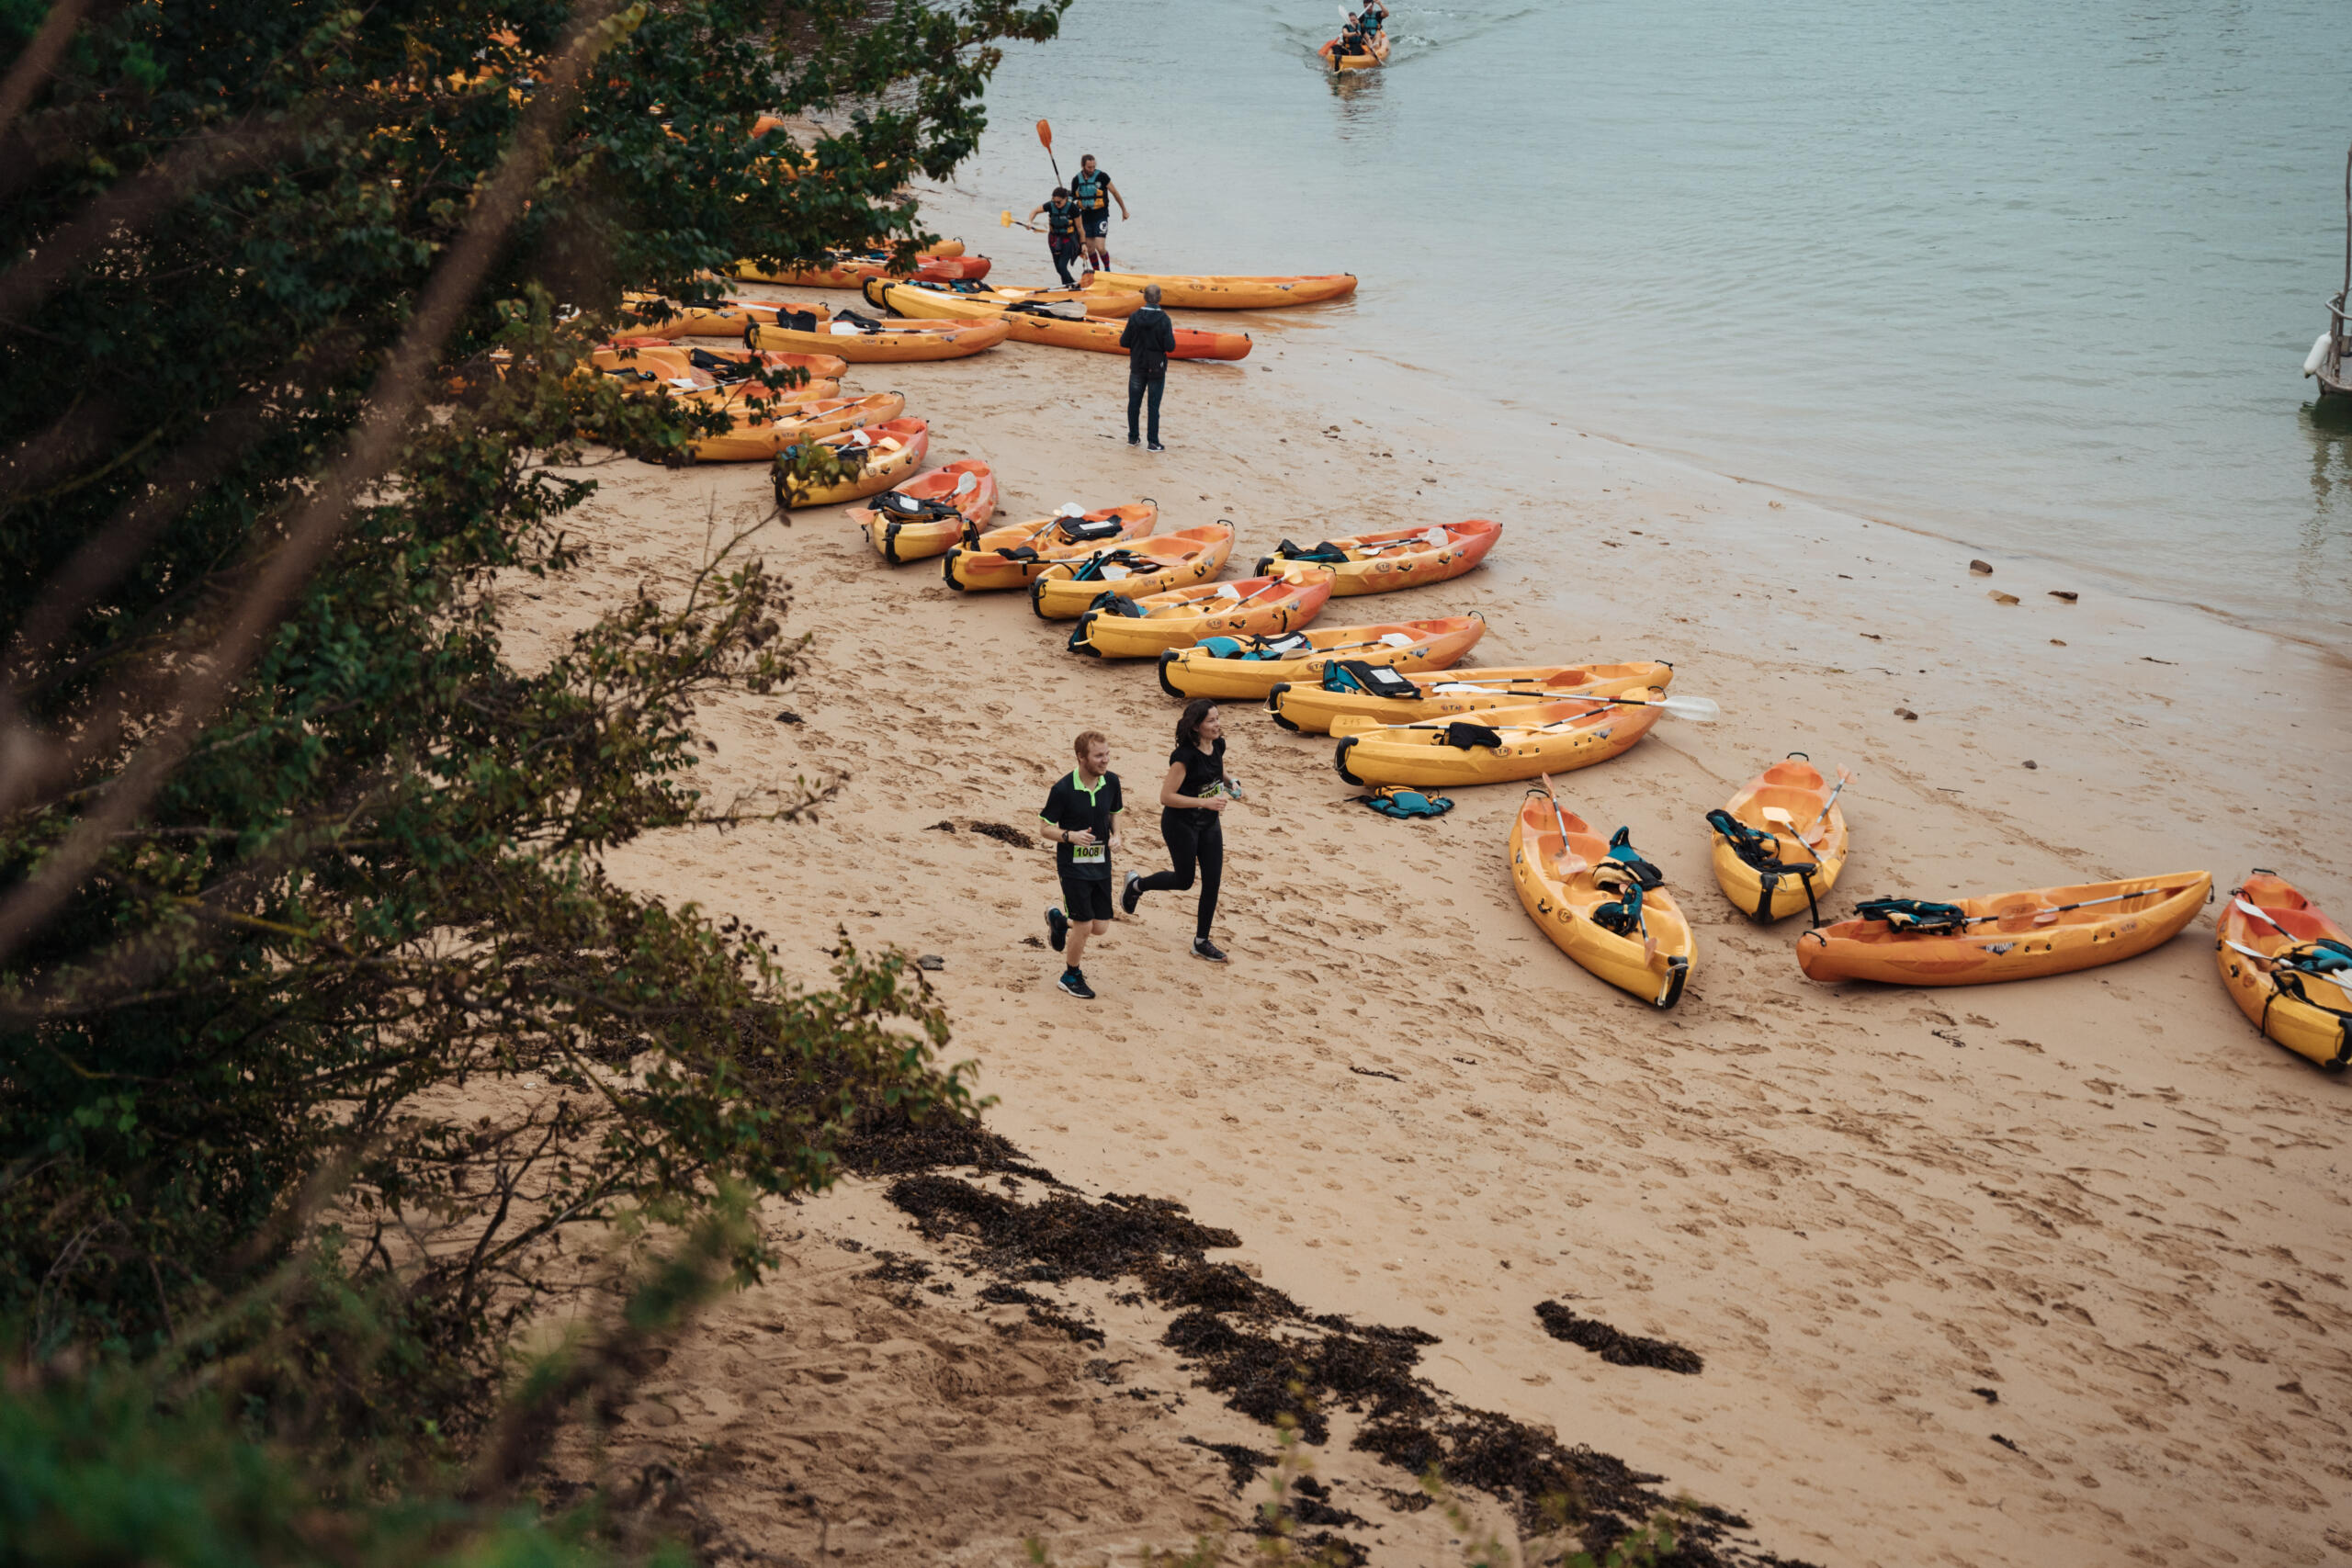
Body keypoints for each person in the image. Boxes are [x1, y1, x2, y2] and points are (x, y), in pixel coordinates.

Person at [1123, 698, 1238, 964]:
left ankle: (1201, 942)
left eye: (1218, 718)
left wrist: (1231, 783)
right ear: (1196, 726)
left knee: (1212, 882)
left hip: (1209, 823)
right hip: (1180, 824)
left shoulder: (1218, 744)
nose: (1217, 724)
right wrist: (1205, 802)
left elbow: (1218, 769)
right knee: (1184, 881)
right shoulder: (1184, 757)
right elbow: (1166, 796)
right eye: (1211, 720)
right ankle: (1136, 885)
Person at [1039, 729, 1125, 999]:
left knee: (1099, 927)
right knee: (1085, 925)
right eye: (1099, 756)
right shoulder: (1062, 789)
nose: (1105, 760)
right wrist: (1070, 836)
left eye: (1107, 754)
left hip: (1101, 863)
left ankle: (1059, 921)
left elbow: (1116, 812)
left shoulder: (1111, 782)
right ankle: (1070, 975)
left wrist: (1117, 836)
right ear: (1081, 757)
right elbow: (1044, 828)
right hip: (1072, 866)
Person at [1119, 284, 1176, 451]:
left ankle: (1133, 438)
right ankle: (1153, 442)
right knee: (1153, 406)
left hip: (1137, 365)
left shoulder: (1134, 316)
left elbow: (1123, 341)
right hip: (1156, 368)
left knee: (1134, 403)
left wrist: (1137, 344)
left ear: (1144, 297)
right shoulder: (1164, 319)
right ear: (1159, 298)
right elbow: (1170, 346)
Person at [1069, 153, 1127, 274]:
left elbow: (1115, 193)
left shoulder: (1102, 176)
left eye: (1093, 166)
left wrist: (1124, 210)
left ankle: (1107, 270)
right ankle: (1097, 273)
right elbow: (1073, 199)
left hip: (1101, 215)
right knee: (1090, 249)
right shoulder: (1076, 180)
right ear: (1083, 166)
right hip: (1085, 216)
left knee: (1100, 247)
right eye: (1089, 167)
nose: (1092, 169)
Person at [1025, 186, 1084, 288]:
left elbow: (1080, 228)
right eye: (1054, 201)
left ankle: (1072, 286)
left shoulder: (1073, 208)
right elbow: (1034, 211)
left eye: (1059, 202)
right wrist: (1029, 222)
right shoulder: (1050, 205)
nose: (1056, 204)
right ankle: (1072, 286)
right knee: (1058, 269)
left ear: (1066, 199)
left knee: (1062, 266)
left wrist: (1083, 244)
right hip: (1054, 239)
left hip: (1068, 239)